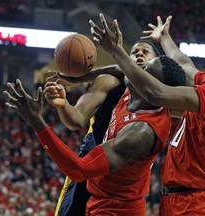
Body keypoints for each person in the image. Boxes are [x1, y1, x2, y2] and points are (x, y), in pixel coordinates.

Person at [89, 13, 205, 215]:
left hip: (197, 203)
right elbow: (185, 66)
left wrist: (116, 51)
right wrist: (164, 37)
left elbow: (156, 93)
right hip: (184, 197)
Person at [3, 54, 186, 215]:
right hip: (98, 199)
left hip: (117, 209)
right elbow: (119, 68)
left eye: (145, 70)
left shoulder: (140, 132)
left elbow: (78, 170)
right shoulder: (136, 91)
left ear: (152, 89)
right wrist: (80, 78)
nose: (137, 67)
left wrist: (36, 122)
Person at [44, 38, 167, 215]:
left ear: (157, 64)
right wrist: (62, 105)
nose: (139, 54)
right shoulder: (109, 81)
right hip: (89, 168)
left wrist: (85, 76)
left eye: (145, 52)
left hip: (125, 189)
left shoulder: (162, 95)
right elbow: (76, 120)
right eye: (133, 52)